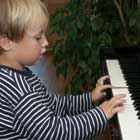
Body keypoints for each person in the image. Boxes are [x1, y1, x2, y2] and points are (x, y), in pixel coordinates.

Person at [0, 0, 126, 139]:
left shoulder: (18, 74)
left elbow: (53, 104)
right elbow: (55, 132)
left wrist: (90, 98)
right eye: (38, 38)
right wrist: (101, 114)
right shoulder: (18, 89)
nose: (46, 42)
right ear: (6, 43)